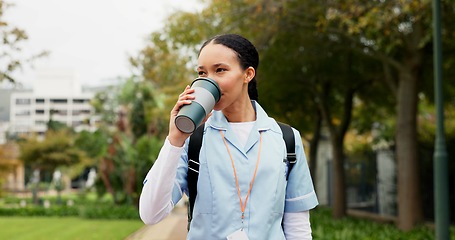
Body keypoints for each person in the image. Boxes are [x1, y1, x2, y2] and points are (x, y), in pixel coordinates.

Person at [139, 33, 318, 240]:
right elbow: (150, 214)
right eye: (202, 73)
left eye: (220, 70)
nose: (209, 81)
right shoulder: (192, 139)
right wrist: (175, 139)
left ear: (247, 74)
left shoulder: (287, 139)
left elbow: (298, 229)